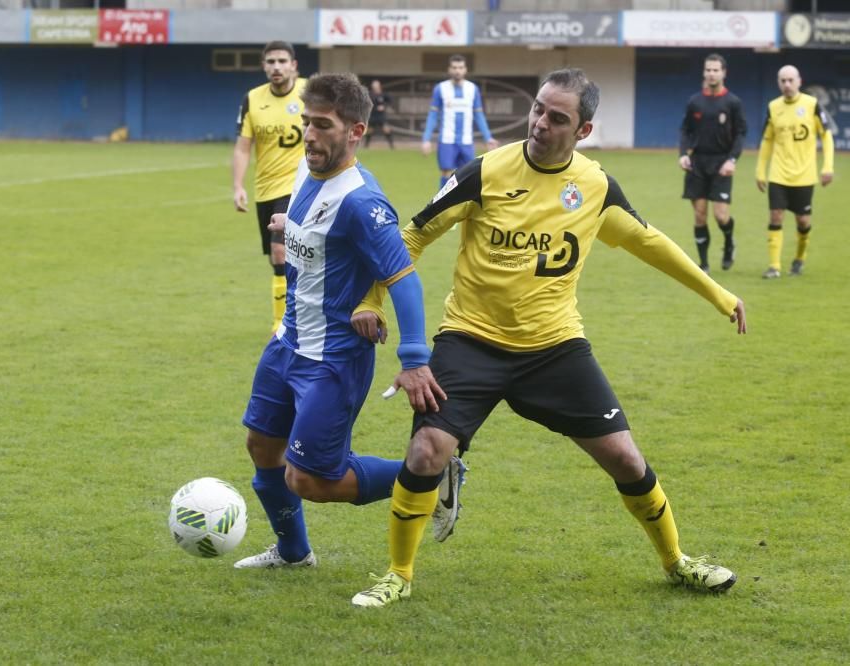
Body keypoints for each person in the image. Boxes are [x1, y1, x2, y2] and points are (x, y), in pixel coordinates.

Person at [350, 68, 747, 608]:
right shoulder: (485, 171)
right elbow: (414, 234)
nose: (540, 123)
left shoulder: (596, 186)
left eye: (557, 117)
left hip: (555, 349)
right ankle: (397, 574)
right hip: (471, 339)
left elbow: (648, 242)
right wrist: (372, 299)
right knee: (425, 452)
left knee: (627, 460)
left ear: (583, 130)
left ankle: (677, 561)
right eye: (538, 109)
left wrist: (718, 294)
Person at [233, 73, 453, 570]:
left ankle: (431, 477)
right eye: (307, 122)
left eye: (323, 125)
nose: (310, 135)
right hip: (288, 342)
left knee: (307, 479)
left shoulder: (362, 202)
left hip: (333, 360)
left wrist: (414, 358)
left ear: (355, 131)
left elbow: (405, 279)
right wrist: (287, 225)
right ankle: (294, 554)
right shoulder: (305, 169)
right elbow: (319, 235)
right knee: (261, 448)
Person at [232, 41, 307, 333]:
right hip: (266, 188)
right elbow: (242, 148)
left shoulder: (309, 92)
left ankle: (282, 324)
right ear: (264, 66)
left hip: (301, 186)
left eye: (282, 61)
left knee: (280, 251)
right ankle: (295, 312)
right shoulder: (252, 99)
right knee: (279, 260)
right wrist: (238, 186)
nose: (276, 67)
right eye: (271, 61)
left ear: (293, 65)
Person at [755, 65, 835, 279]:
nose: (787, 84)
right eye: (783, 81)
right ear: (778, 83)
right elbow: (767, 140)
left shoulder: (812, 105)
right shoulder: (773, 107)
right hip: (779, 174)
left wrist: (827, 167)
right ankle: (774, 266)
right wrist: (760, 171)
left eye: (791, 80)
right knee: (776, 216)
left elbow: (826, 136)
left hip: (804, 176)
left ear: (799, 81)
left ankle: (799, 258)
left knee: (803, 222)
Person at [678, 53, 747, 274]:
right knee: (699, 214)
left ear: (724, 73)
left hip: (721, 163)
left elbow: (741, 133)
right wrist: (683, 154)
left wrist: (732, 159)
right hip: (697, 163)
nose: (711, 73)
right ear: (704, 72)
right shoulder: (695, 101)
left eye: (716, 70)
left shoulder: (733, 102)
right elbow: (685, 130)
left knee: (720, 216)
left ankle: (729, 243)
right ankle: (704, 264)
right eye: (708, 69)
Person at [421, 54, 499, 189]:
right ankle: (442, 205)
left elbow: (479, 115)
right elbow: (433, 115)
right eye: (454, 67)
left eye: (461, 67)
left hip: (466, 141)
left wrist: (488, 138)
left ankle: (464, 206)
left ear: (465, 70)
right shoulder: (440, 89)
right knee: (446, 172)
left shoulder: (473, 89)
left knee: (468, 174)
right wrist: (426, 139)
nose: (457, 70)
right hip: (446, 139)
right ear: (449, 69)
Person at [364, 79, 394, 150]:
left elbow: (390, 102)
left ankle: (391, 145)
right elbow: (367, 104)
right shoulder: (370, 95)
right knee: (370, 130)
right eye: (374, 86)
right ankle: (366, 145)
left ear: (379, 86)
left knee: (386, 129)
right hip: (373, 115)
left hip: (381, 115)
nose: (375, 87)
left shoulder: (384, 94)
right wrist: (375, 108)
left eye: (376, 85)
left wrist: (384, 106)